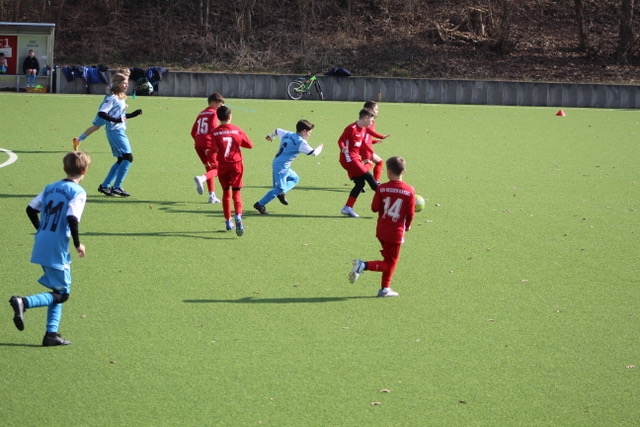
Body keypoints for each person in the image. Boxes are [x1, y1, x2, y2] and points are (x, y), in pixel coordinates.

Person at [9, 151, 91, 346]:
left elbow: (30, 209)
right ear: (84, 171)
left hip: (42, 240)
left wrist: (41, 229)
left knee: (57, 290)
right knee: (63, 295)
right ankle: (24, 302)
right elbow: (72, 218)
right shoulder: (78, 192)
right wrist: (78, 244)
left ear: (64, 168)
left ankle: (51, 335)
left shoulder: (50, 187)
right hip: (57, 246)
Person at [348, 156, 415, 297]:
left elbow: (374, 208)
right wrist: (408, 226)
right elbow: (410, 214)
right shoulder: (410, 191)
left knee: (388, 260)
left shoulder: (382, 188)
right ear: (404, 171)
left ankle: (385, 289)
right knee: (391, 263)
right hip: (395, 233)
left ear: (389, 172)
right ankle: (363, 265)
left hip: (381, 230)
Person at [253, 120, 323, 215]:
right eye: (309, 132)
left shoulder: (288, 134)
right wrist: (320, 147)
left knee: (295, 178)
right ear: (303, 131)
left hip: (279, 163)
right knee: (279, 189)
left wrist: (271, 136)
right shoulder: (301, 142)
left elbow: (277, 130)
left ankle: (281, 193)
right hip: (282, 167)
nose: (309, 135)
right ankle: (260, 204)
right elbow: (314, 153)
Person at [338, 108, 390, 218]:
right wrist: (343, 147)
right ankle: (388, 204)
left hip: (355, 158)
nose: (372, 122)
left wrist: (371, 149)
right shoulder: (351, 128)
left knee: (360, 183)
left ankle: (348, 207)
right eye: (371, 120)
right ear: (366, 118)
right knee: (370, 178)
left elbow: (362, 144)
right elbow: (341, 140)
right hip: (348, 158)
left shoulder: (363, 129)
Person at [96, 77, 143, 197]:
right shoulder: (112, 97)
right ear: (117, 83)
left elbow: (119, 115)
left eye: (127, 83)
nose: (127, 85)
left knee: (121, 159)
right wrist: (115, 120)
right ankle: (117, 187)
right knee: (128, 158)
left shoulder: (119, 97)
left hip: (119, 130)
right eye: (124, 83)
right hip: (114, 131)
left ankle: (105, 186)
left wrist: (133, 114)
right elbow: (102, 113)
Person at [212, 106, 253, 235]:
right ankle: (238, 216)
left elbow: (213, 148)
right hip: (236, 164)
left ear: (218, 117)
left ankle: (228, 220)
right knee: (236, 193)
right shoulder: (236, 129)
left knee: (225, 193)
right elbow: (249, 144)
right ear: (230, 116)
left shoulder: (215, 132)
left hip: (223, 165)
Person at [72, 71, 130, 151]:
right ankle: (78, 139)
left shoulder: (119, 87)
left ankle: (119, 144)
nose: (127, 84)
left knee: (116, 125)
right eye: (126, 78)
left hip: (112, 111)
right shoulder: (112, 88)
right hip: (106, 110)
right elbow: (112, 97)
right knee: (96, 127)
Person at [191, 92, 225, 204]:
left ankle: (212, 196)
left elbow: (193, 131)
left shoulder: (201, 113)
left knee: (209, 169)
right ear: (213, 103)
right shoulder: (214, 113)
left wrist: (199, 141)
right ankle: (201, 178)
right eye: (220, 105)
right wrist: (216, 146)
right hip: (209, 145)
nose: (221, 108)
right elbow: (214, 129)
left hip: (198, 145)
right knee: (218, 169)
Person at [360, 101, 386, 183]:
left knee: (379, 162)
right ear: (368, 109)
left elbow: (366, 136)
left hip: (366, 146)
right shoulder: (366, 121)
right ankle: (360, 178)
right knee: (368, 164)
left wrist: (373, 141)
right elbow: (368, 132)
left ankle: (376, 181)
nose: (377, 111)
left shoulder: (371, 120)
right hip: (365, 147)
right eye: (376, 109)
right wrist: (381, 136)